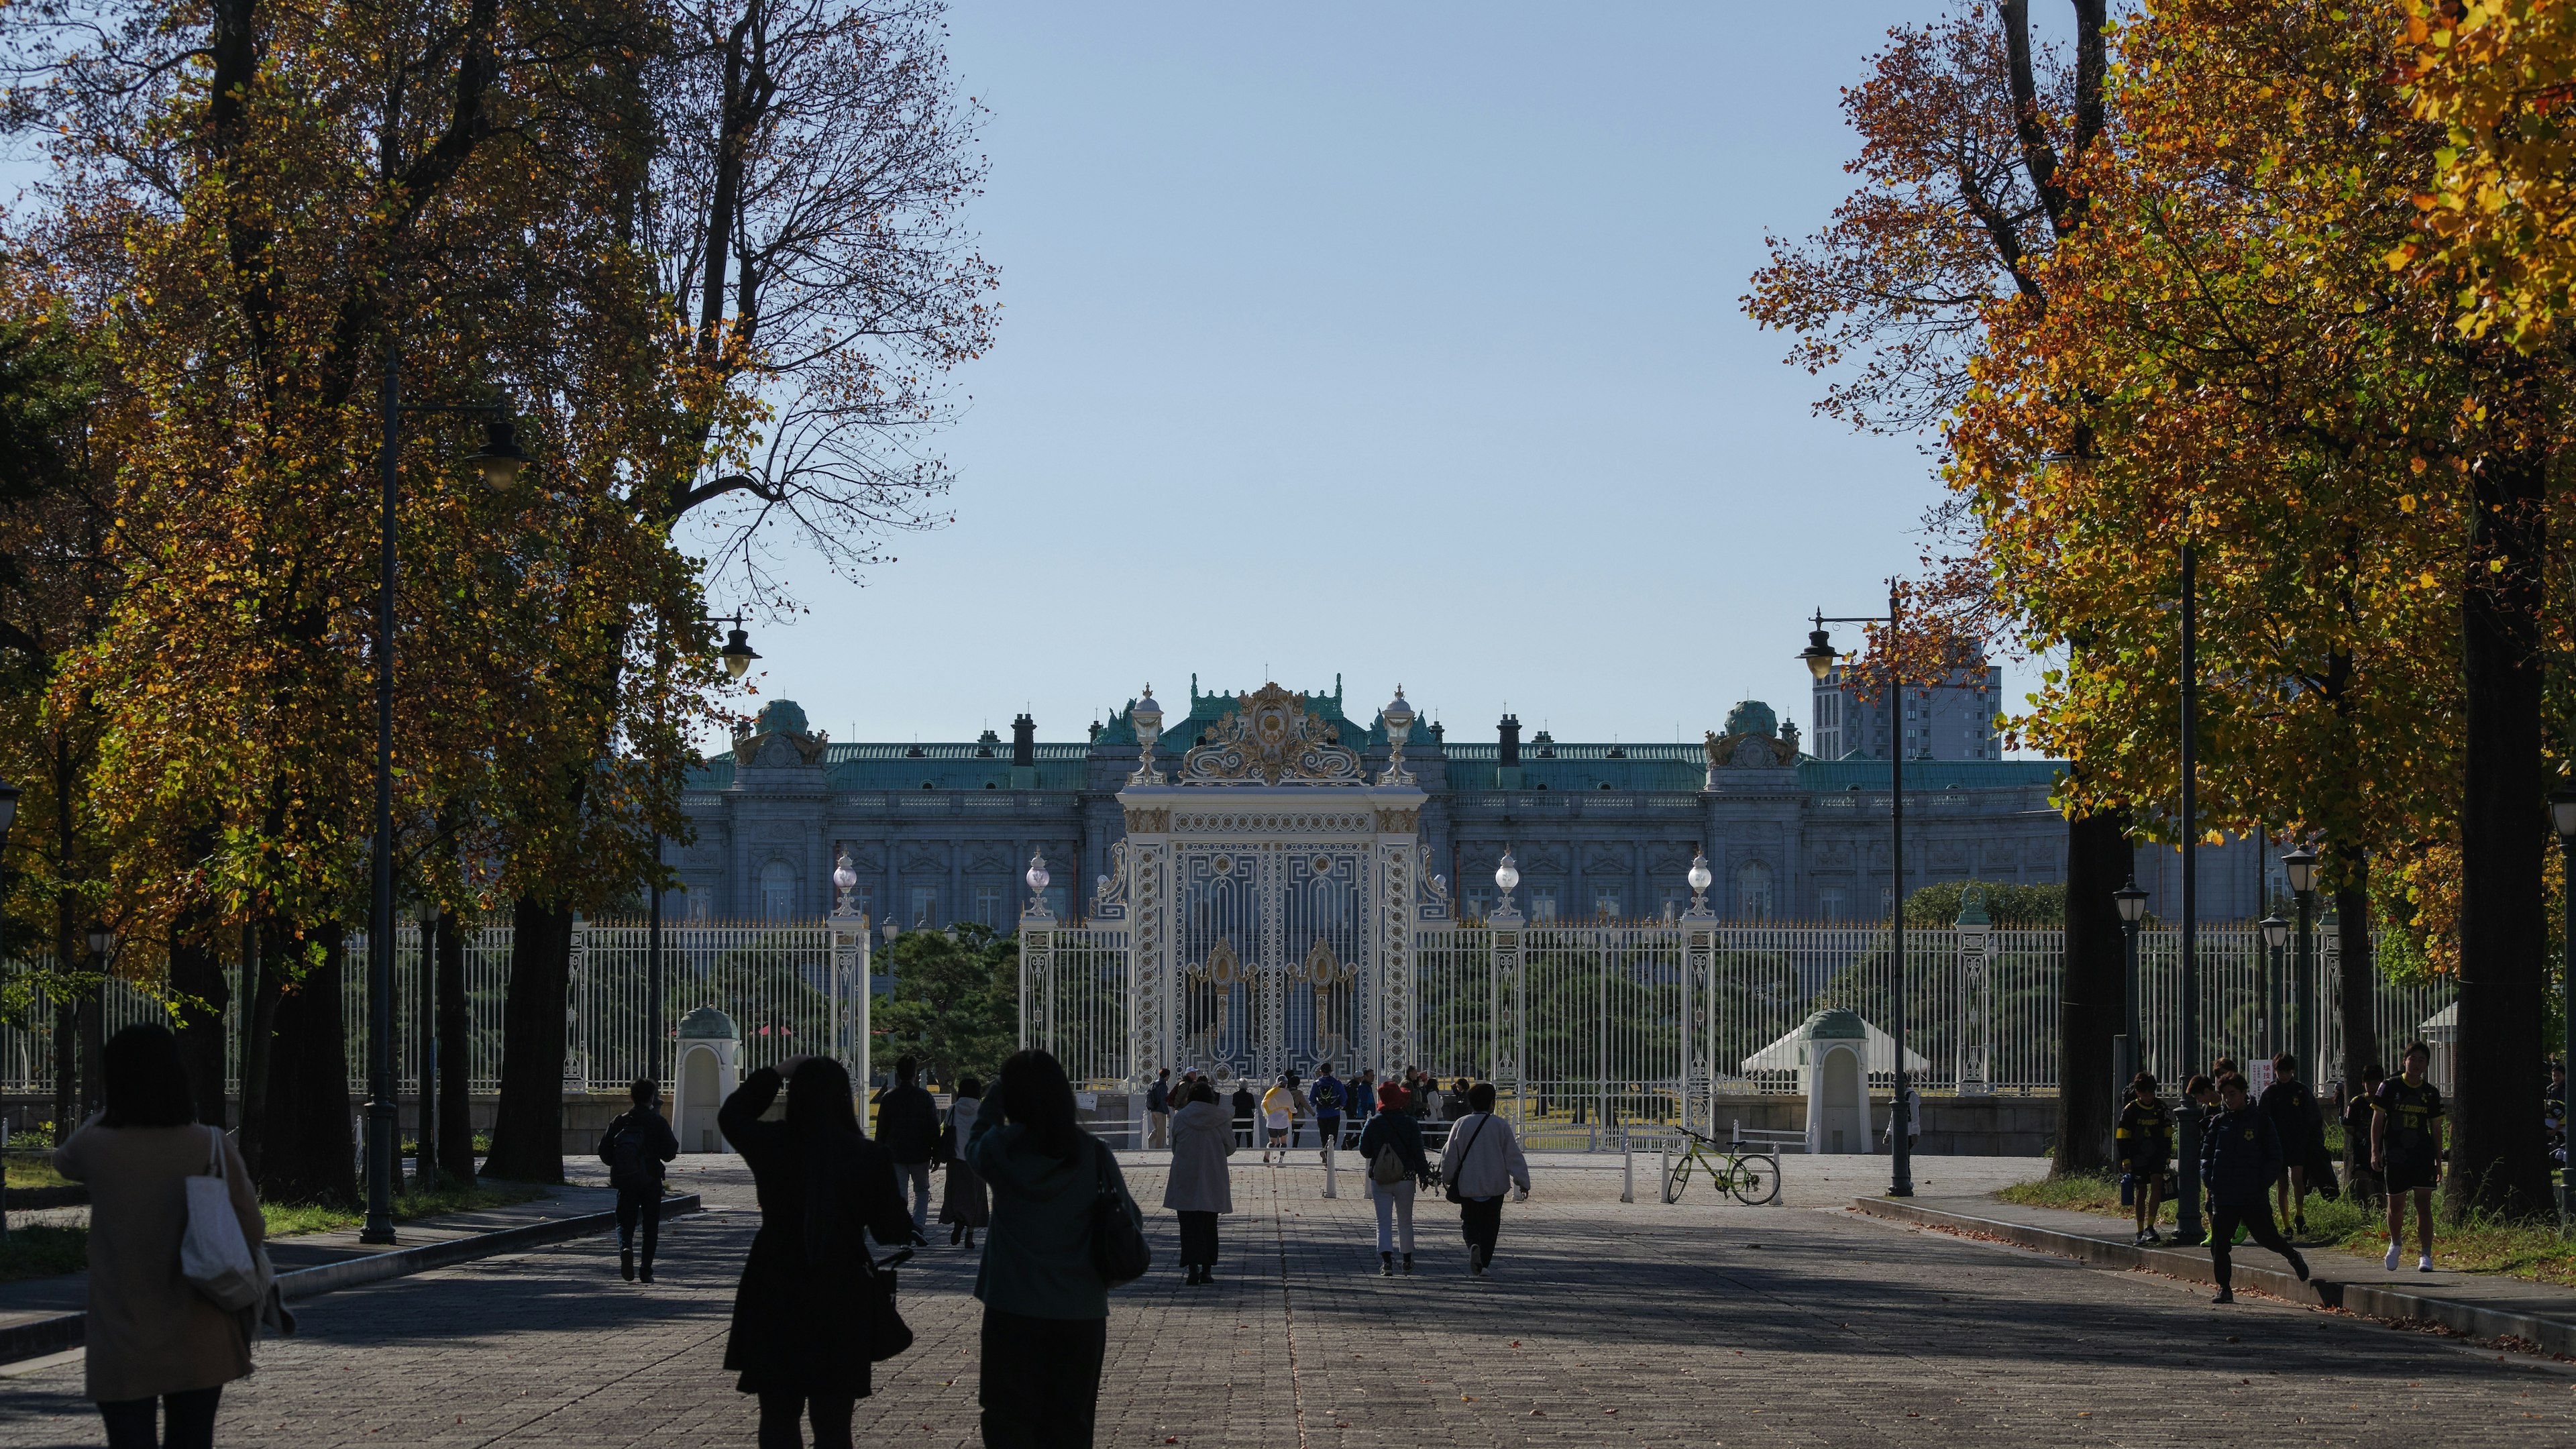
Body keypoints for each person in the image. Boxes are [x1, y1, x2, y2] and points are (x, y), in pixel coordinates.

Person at [55, 1024, 264, 1449]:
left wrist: (111, 1111)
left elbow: (63, 1159)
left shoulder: (96, 1146)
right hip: (199, 1330)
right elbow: (253, 1230)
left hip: (122, 1334)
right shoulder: (209, 1146)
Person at [718, 1055, 916, 1449]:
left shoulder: (773, 1143)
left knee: (777, 1413)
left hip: (775, 1280)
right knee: (833, 1421)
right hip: (840, 1288)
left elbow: (732, 1115)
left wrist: (775, 1072)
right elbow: (889, 1229)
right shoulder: (868, 1156)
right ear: (844, 1098)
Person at [969, 1049, 1144, 1448]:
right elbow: (1129, 1219)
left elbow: (975, 1142)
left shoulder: (1002, 1149)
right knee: (1070, 1422)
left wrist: (996, 1096)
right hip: (1079, 1309)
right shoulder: (1092, 1154)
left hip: (1011, 1305)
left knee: (1007, 1417)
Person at [2201, 1071, 2310, 1303]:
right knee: (2220, 1244)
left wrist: (2261, 1183)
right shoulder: (2218, 1122)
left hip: (2252, 1195)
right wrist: (2209, 1180)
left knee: (2267, 1237)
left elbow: (2275, 1156)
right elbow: (2206, 1155)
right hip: (2225, 1195)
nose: (2228, 1099)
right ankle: (2225, 1288)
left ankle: (2292, 1255)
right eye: (2224, 1095)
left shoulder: (2260, 1121)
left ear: (2243, 1093)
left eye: (2232, 1094)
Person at [1438, 1082, 1529, 1277]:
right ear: (1492, 1104)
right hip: (1495, 1186)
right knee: (1491, 1225)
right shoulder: (1500, 1125)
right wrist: (1522, 1181)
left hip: (1468, 1184)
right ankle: (1484, 1262)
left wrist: (1446, 1177)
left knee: (1469, 1222)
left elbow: (1449, 1154)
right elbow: (1513, 1156)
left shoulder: (1461, 1124)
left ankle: (1473, 1245)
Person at [598, 1075, 680, 1283]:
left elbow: (604, 1151)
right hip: (651, 1180)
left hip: (626, 1181)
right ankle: (646, 1270)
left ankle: (625, 1247)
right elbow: (670, 1152)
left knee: (624, 1223)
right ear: (652, 1098)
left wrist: (620, 1165)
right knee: (650, 1227)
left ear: (631, 1096)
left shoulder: (620, 1121)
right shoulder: (657, 1121)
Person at [2373, 1040, 2445, 1273]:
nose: (2416, 1064)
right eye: (2412, 1059)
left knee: (2423, 1204)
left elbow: (2436, 1129)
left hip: (2421, 1155)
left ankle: (2426, 1255)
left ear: (2426, 1065)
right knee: (2397, 1205)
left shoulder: (2431, 1093)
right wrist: (2375, 1151)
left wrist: (2438, 1161)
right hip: (2395, 1154)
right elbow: (2378, 1120)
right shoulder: (2390, 1086)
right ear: (2404, 1061)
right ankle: (2395, 1243)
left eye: (2421, 1060)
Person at [1357, 1081, 1434, 1276]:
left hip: (1381, 1177)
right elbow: (1419, 1152)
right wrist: (1424, 1174)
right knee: (1405, 1220)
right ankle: (1407, 1260)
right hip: (1406, 1176)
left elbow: (1364, 1151)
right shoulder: (1410, 1122)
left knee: (1382, 1221)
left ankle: (1387, 1262)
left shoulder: (1373, 1122)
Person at [1165, 1079, 1234, 1285]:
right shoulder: (1221, 1117)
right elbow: (1230, 1148)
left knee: (1188, 1226)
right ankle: (1207, 1270)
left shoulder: (1181, 1117)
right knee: (1209, 1225)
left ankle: (1192, 1268)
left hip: (1185, 1175)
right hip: (1212, 1175)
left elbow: (1174, 1147)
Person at [871, 1055, 941, 1240]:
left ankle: (902, 1225)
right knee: (922, 1189)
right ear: (915, 1073)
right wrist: (937, 1152)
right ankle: (918, 1225)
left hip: (895, 1152)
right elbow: (933, 1126)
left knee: (900, 1192)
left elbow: (882, 1129)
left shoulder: (889, 1098)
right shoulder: (925, 1097)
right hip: (920, 1151)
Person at [2258, 1053, 2324, 1238]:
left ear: (2293, 1071)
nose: (2283, 1075)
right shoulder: (2270, 1092)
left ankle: (2300, 1215)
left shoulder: (2301, 1091)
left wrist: (2314, 1140)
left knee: (2297, 1179)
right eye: (2280, 1071)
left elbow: (2313, 1118)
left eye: (2287, 1071)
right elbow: (2262, 1120)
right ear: (2275, 1070)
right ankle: (2287, 1223)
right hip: (2277, 1145)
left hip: (2298, 1143)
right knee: (2282, 1185)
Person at [2114, 1073, 2171, 1244]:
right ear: (2138, 1093)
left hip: (2157, 1154)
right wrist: (2125, 1159)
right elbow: (2122, 1136)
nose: (2149, 1097)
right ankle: (2139, 1230)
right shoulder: (2131, 1110)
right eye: (2145, 1094)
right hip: (2138, 1155)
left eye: (2151, 1093)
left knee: (2157, 1185)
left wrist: (2167, 1155)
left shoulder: (2161, 1108)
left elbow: (2168, 1132)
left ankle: (2151, 1226)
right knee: (2141, 1191)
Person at [939, 1075, 991, 1250]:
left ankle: (958, 1222)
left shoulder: (953, 1109)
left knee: (956, 1194)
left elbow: (947, 1129)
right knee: (976, 1197)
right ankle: (970, 1235)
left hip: (956, 1160)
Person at [2342, 1063, 2386, 1205]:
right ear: (2363, 1083)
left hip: (2383, 1148)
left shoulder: (2387, 1102)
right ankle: (2364, 1210)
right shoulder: (2356, 1103)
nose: (2372, 1087)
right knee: (2361, 1180)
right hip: (2362, 1148)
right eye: (2369, 1083)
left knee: (2381, 1182)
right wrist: (2359, 1134)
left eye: (2376, 1083)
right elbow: (2347, 1124)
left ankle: (2382, 1209)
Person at [1310, 1063, 1346, 1164]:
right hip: (1334, 1113)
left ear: (1320, 1072)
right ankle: (1327, 1153)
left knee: (1324, 1135)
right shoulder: (1336, 1083)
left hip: (1321, 1114)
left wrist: (1316, 1103)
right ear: (1331, 1071)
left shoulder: (1316, 1084)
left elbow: (1311, 1099)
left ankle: (1325, 1154)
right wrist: (1341, 1105)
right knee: (1333, 1136)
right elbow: (1344, 1097)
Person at [1260, 1073, 1298, 1165]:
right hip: (1283, 1123)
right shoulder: (1287, 1094)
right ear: (1286, 1084)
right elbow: (1292, 1110)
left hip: (1271, 1122)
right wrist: (1295, 1110)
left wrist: (1266, 1116)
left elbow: (1263, 1105)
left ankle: (1267, 1154)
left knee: (1272, 1141)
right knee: (1283, 1142)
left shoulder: (1271, 1093)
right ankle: (1280, 1160)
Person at [1145, 1067, 1172, 1150]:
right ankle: (1159, 1149)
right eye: (1169, 1076)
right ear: (1166, 1076)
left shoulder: (1154, 1083)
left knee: (1157, 1130)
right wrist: (1167, 1112)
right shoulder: (1163, 1086)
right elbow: (1163, 1100)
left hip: (1153, 1110)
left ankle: (1146, 1143)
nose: (1169, 1077)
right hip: (1160, 1111)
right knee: (1161, 1132)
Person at [1229, 1079, 1258, 1149]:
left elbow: (1234, 1104)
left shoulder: (1235, 1095)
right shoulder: (1250, 1095)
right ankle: (1250, 1147)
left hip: (1238, 1116)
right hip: (1248, 1116)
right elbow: (1253, 1106)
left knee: (1237, 1135)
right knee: (1249, 1134)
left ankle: (1236, 1147)